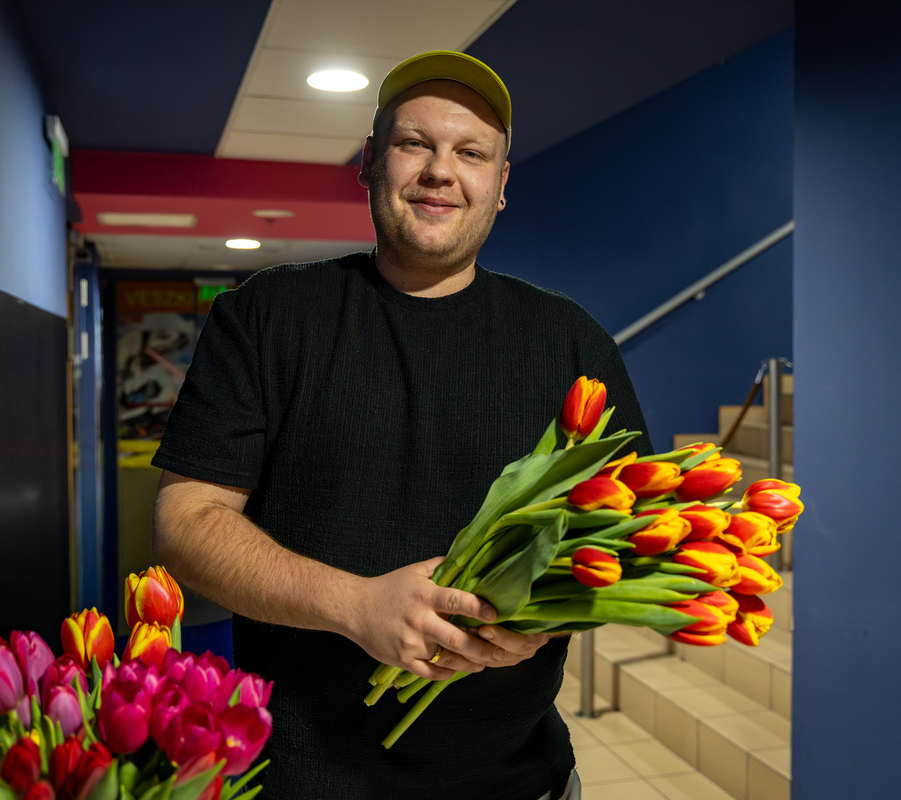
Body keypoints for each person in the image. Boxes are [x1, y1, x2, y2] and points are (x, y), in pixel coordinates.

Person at [150, 50, 650, 800]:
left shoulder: (571, 341)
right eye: (414, 143)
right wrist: (356, 606)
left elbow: (627, 536)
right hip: (298, 781)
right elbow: (186, 523)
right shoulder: (264, 317)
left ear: (500, 185)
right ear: (369, 162)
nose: (440, 171)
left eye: (471, 152)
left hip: (523, 783)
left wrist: (542, 615)